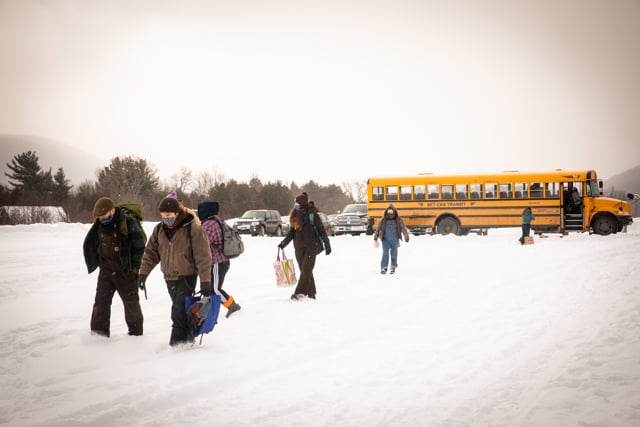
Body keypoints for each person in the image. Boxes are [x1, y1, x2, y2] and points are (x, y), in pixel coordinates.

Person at [138, 197, 212, 346]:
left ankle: (176, 345)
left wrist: (205, 281)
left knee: (177, 311)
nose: (166, 219)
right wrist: (143, 274)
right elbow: (150, 254)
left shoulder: (192, 229)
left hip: (187, 276)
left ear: (177, 213)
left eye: (169, 216)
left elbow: (203, 257)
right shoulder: (159, 230)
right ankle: (188, 339)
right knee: (182, 311)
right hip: (169, 277)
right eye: (164, 216)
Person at [82, 197, 145, 337]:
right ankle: (99, 334)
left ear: (112, 210)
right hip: (106, 270)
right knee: (100, 303)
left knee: (131, 304)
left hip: (125, 271)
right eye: (99, 217)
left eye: (104, 215)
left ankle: (136, 335)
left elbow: (139, 247)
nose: (102, 219)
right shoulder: (99, 225)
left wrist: (134, 269)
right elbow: (92, 243)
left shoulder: (128, 223)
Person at [278, 192, 331, 300]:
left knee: (306, 269)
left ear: (301, 203)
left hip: (312, 247)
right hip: (298, 247)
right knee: (305, 271)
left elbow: (321, 230)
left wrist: (327, 244)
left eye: (296, 203)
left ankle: (299, 292)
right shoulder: (294, 215)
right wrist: (284, 243)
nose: (295, 205)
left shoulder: (312, 215)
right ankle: (311, 292)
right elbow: (292, 233)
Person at [197, 200, 242, 318]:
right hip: (220, 261)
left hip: (217, 262)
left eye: (200, 210)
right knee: (211, 288)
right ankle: (208, 311)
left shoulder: (209, 224)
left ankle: (232, 305)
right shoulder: (216, 220)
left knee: (215, 289)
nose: (198, 213)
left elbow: (203, 243)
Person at [373, 204, 409, 274]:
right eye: (388, 211)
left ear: (394, 212)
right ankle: (384, 267)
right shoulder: (383, 219)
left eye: (391, 211)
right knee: (385, 253)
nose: (390, 213)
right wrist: (376, 236)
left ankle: (393, 266)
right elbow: (378, 228)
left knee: (394, 254)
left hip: (395, 240)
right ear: (386, 212)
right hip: (385, 240)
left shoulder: (398, 220)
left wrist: (406, 236)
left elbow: (403, 228)